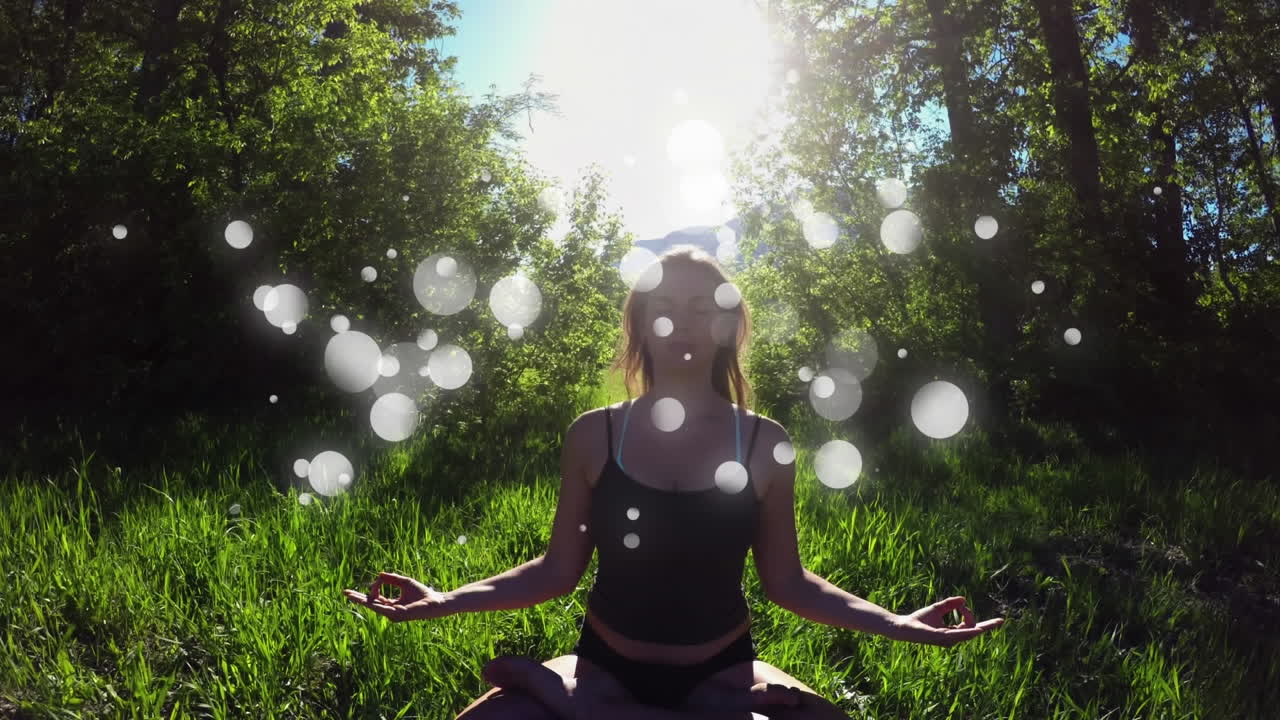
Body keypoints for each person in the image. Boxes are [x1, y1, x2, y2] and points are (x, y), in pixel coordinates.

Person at [342, 246, 1006, 719]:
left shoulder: (765, 443)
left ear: (727, 326)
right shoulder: (594, 435)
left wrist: (899, 624)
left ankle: (571, 702)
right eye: (664, 307)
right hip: (606, 663)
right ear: (640, 324)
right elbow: (555, 573)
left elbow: (790, 584)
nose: (682, 322)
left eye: (700, 308)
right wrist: (442, 600)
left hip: (719, 674)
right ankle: (578, 698)